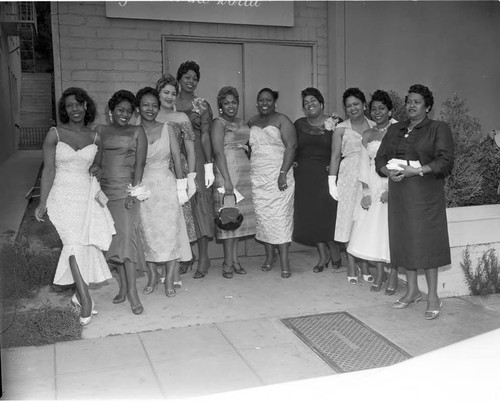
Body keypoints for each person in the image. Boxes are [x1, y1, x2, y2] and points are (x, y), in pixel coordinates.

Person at [34, 87, 115, 326]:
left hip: (86, 197)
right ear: (64, 109)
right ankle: (86, 300)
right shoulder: (55, 134)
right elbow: (48, 170)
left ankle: (78, 297)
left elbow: (98, 165)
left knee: (85, 245)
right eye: (70, 105)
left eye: (80, 104)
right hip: (62, 197)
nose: (76, 109)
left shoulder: (95, 136)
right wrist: (42, 202)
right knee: (72, 245)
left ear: (86, 106)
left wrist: (97, 168)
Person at [375, 84, 454, 320]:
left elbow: (445, 161)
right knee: (404, 242)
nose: (411, 105)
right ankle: (411, 292)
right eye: (409, 101)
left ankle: (432, 296)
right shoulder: (395, 129)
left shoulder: (438, 128)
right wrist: (387, 172)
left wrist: (418, 171)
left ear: (427, 106)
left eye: (417, 101)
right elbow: (380, 157)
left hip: (425, 195)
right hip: (399, 193)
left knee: (428, 245)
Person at [95, 90, 148, 315]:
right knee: (113, 241)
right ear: (111, 112)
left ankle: (133, 293)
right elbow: (96, 161)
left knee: (127, 241)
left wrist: (133, 192)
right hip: (104, 194)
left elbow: (140, 165)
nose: (125, 114)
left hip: (126, 193)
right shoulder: (100, 131)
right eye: (120, 110)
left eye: (129, 111)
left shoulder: (137, 131)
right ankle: (123, 286)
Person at [135, 87, 191, 297]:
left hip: (166, 186)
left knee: (168, 233)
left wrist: (181, 186)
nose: (150, 109)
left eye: (154, 105)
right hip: (144, 189)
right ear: (138, 108)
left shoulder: (167, 127)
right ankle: (151, 276)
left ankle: (168, 278)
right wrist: (135, 188)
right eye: (145, 105)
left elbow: (177, 158)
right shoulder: (134, 129)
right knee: (147, 233)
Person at [347, 90, 398, 293]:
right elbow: (363, 165)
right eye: (374, 108)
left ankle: (393, 276)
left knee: (390, 232)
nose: (377, 112)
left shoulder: (397, 130)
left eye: (382, 108)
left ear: (390, 110)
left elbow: (400, 161)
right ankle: (379, 274)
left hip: (392, 184)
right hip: (372, 184)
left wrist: (391, 189)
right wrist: (366, 192)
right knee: (373, 232)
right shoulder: (367, 134)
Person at [328, 87, 376, 284]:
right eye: (348, 106)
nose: (353, 108)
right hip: (348, 175)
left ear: (364, 104)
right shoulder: (341, 128)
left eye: (356, 104)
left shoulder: (375, 125)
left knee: (364, 218)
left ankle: (364, 263)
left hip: (370, 174)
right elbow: (335, 156)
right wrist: (332, 181)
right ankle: (350, 262)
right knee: (348, 217)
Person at [293, 87, 343, 273]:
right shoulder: (298, 124)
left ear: (321, 103)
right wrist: (294, 164)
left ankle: (334, 249)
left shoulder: (336, 123)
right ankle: (323, 255)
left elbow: (342, 150)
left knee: (328, 214)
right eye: (306, 103)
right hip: (305, 176)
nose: (309, 105)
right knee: (312, 216)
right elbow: (291, 146)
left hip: (327, 175)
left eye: (313, 101)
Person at [248, 88, 297, 278]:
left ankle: (284, 260)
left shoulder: (282, 120)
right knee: (264, 218)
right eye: (261, 100)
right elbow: (250, 148)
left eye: (268, 100)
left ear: (274, 102)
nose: (264, 103)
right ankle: (269, 256)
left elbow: (292, 146)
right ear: (257, 102)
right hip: (258, 177)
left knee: (281, 217)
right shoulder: (252, 121)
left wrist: (283, 172)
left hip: (279, 174)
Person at [175, 61, 216, 279]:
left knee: (199, 204)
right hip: (174, 158)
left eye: (194, 78)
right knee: (181, 207)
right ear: (179, 78)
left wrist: (209, 165)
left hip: (197, 156)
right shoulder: (170, 103)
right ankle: (186, 254)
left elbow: (207, 135)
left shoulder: (202, 104)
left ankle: (204, 257)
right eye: (187, 77)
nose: (191, 81)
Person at [211, 86, 256, 278]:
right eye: (226, 102)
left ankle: (235, 260)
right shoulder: (218, 123)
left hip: (243, 171)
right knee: (228, 217)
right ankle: (227, 262)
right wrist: (227, 180)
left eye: (234, 102)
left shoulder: (240, 121)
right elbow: (218, 151)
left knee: (237, 219)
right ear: (220, 105)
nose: (231, 106)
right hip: (227, 172)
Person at [155, 74, 197, 276]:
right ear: (158, 93)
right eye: (166, 92)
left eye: (173, 93)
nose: (170, 96)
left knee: (180, 215)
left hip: (178, 168)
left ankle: (183, 256)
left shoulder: (182, 118)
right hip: (154, 170)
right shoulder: (147, 116)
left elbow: (190, 149)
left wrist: (190, 177)